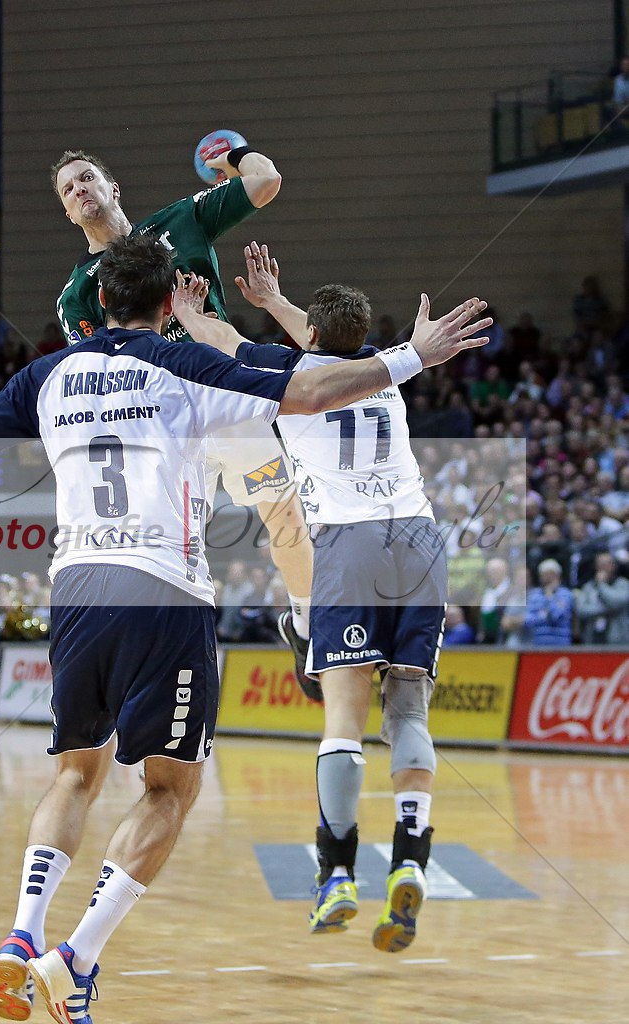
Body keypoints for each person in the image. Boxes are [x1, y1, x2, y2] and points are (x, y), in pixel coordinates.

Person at [0, 235, 489, 1022]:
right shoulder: (183, 366)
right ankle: (75, 957)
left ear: (99, 302)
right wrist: (412, 356)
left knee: (73, 775)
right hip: (168, 589)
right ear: (162, 306)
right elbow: (311, 387)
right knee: (171, 788)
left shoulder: (46, 374)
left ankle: (21, 932)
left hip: (75, 587)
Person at [171, 248, 491, 954]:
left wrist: (193, 313)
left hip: (348, 545)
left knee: (342, 719)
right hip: (417, 539)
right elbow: (330, 342)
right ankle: (410, 858)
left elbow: (228, 341)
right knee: (407, 711)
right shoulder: (383, 371)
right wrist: (277, 302)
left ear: (310, 335)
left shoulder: (293, 376)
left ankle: (337, 873)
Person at [50, 145, 317, 690]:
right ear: (69, 213)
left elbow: (266, 181)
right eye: (68, 190)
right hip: (163, 424)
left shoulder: (181, 220)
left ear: (111, 188)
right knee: (174, 550)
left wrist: (233, 155)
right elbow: (104, 369)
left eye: (86, 178)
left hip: (226, 398)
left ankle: (308, 626)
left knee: (285, 516)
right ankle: (164, 665)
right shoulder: (77, 295)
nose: (79, 190)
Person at [574, 551, 629, 644]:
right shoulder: (589, 587)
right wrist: (607, 609)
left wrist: (601, 584)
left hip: (618, 641)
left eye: (606, 563)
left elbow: (616, 602)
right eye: (600, 564)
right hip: (592, 638)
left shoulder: (623, 584)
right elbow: (581, 609)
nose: (603, 567)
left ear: (614, 565)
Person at [524, 558, 573, 646]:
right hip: (538, 645)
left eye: (551, 574)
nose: (548, 577)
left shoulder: (566, 594)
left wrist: (549, 596)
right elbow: (528, 620)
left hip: (561, 645)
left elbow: (556, 615)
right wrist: (543, 616)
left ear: (558, 576)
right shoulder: (534, 595)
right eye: (545, 574)